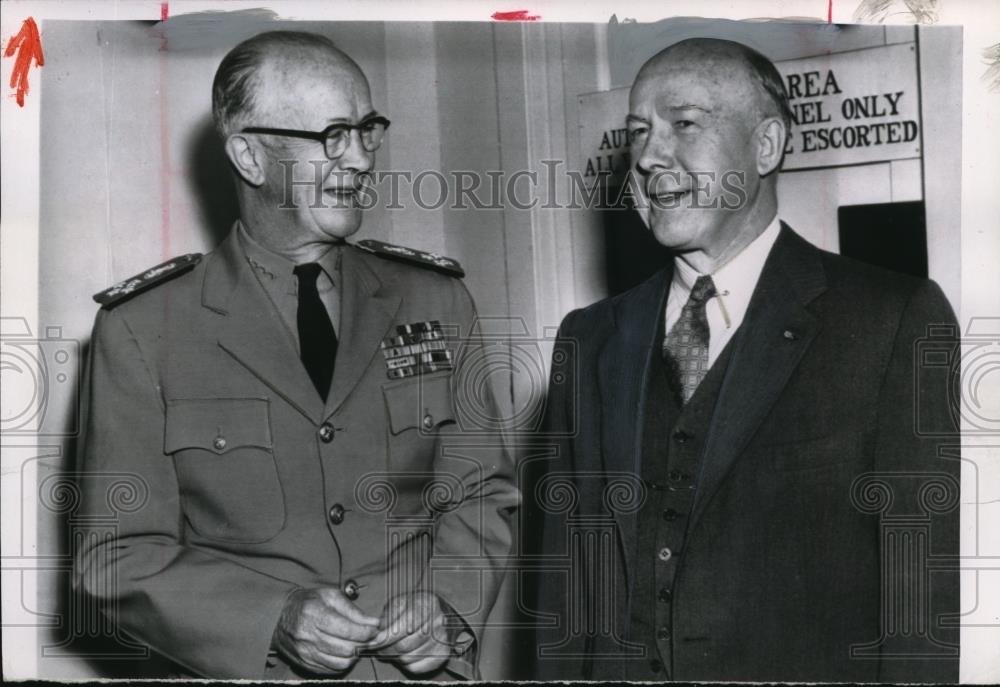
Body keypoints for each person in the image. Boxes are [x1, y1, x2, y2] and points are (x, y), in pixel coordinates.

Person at [73, 30, 517, 680]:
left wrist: (450, 609)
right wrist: (269, 617)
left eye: (368, 129)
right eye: (333, 134)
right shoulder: (144, 329)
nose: (362, 159)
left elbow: (481, 491)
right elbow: (114, 557)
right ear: (250, 156)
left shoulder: (436, 301)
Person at [529, 38, 959, 682]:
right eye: (638, 131)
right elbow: (569, 590)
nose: (648, 156)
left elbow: (918, 605)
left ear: (765, 146)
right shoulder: (587, 339)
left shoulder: (892, 319)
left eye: (684, 124)